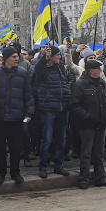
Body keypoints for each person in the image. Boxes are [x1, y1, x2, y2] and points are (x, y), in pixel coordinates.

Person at [69, 59, 106, 189]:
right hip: (87, 125)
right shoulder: (80, 85)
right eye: (98, 69)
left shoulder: (101, 84)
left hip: (101, 123)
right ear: (91, 70)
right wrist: (88, 117)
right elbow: (75, 105)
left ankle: (100, 177)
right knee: (86, 153)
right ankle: (84, 179)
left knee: (99, 153)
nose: (100, 71)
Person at [0, 46, 33, 185]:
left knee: (16, 147)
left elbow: (28, 95)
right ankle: (0, 173)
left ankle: (15, 173)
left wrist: (29, 113)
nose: (17, 59)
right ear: (7, 58)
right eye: (14, 56)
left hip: (16, 117)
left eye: (17, 56)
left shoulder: (23, 73)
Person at [32, 44, 72, 178]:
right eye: (57, 55)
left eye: (59, 55)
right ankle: (43, 166)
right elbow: (37, 69)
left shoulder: (60, 67)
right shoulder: (44, 69)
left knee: (61, 139)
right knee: (47, 139)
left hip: (62, 108)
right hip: (48, 108)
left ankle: (58, 165)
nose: (59, 57)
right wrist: (45, 57)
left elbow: (65, 84)